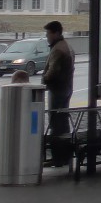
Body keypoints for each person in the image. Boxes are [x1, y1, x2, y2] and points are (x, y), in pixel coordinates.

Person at [42, 20, 74, 166]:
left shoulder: (58, 49)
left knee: (56, 124)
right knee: (63, 124)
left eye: (48, 33)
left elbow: (52, 72)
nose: (47, 36)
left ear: (55, 33)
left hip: (58, 90)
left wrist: (44, 80)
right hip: (66, 88)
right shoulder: (66, 46)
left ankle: (58, 158)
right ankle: (65, 157)